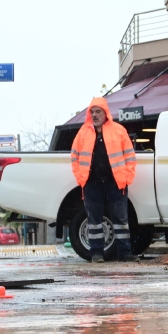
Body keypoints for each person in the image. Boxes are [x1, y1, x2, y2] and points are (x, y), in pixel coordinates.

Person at [71, 97, 137, 263]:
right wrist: (80, 178)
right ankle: (96, 254)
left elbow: (130, 155)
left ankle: (125, 253)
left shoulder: (118, 130)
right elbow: (75, 156)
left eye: (98, 111)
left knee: (121, 219)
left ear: (105, 113)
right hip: (91, 183)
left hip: (116, 182)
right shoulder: (83, 132)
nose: (94, 115)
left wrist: (127, 177)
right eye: (92, 112)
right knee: (94, 221)